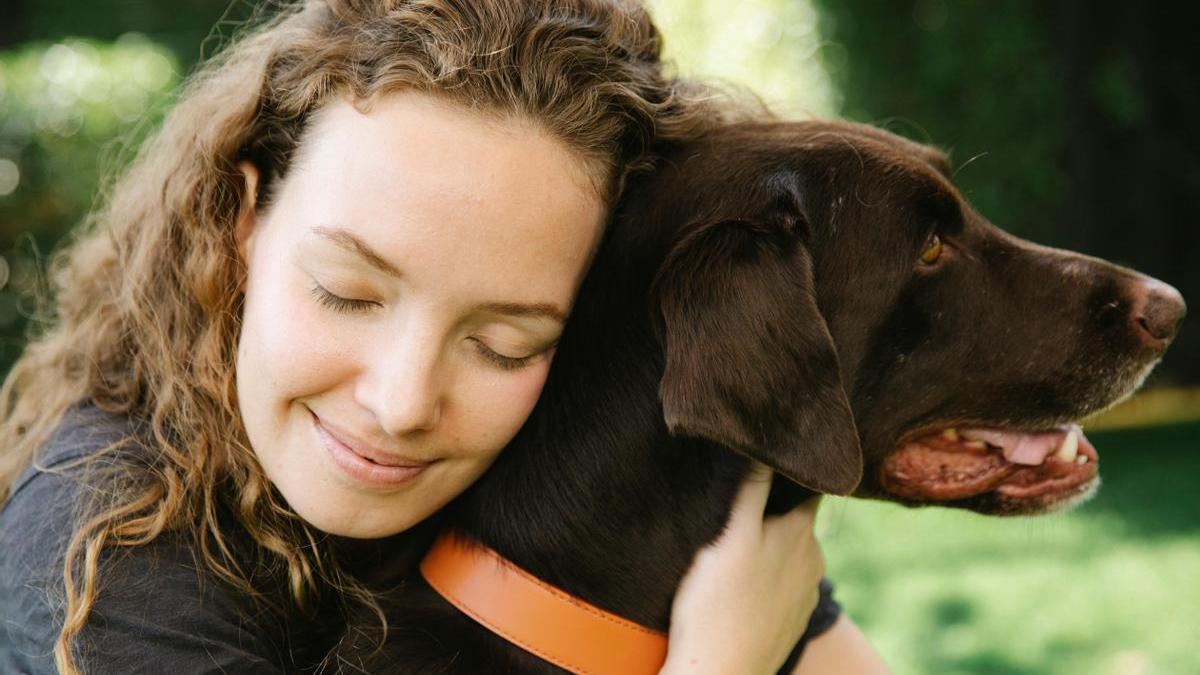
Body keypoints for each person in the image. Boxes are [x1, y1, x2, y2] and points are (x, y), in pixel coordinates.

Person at [0, 1, 889, 673]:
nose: (401, 403)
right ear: (242, 220)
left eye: (505, 343)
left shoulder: (557, 450)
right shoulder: (102, 566)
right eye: (346, 293)